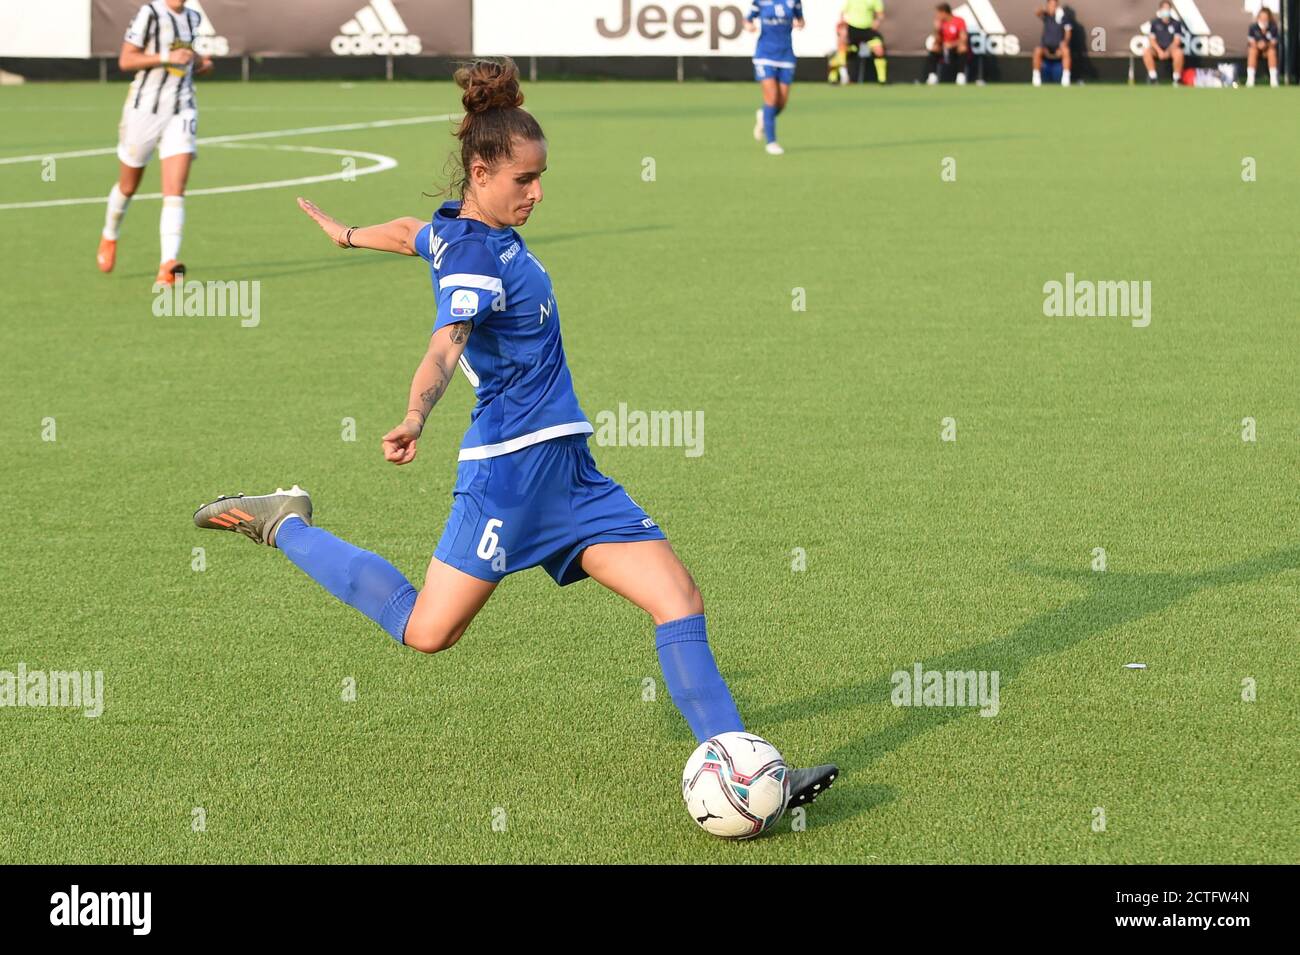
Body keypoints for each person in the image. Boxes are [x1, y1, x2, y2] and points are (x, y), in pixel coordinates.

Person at [192, 58, 839, 814]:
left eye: (541, 177)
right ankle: (287, 522)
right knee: (426, 631)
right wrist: (414, 414)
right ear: (480, 171)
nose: (536, 193)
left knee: (678, 597)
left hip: (571, 472)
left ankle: (745, 768)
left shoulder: (459, 230)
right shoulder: (473, 255)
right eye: (523, 180)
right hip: (508, 475)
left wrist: (349, 235)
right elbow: (446, 344)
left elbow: (415, 231)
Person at [96, 0, 213, 286]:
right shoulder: (150, 13)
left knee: (175, 190)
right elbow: (126, 60)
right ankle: (110, 234)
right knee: (128, 185)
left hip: (182, 109)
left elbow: (186, 55)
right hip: (144, 111)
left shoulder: (194, 17)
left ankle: (167, 264)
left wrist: (200, 62)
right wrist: (167, 57)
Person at [745, 1, 804, 155]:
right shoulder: (760, 2)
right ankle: (771, 142)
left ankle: (763, 116)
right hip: (765, 55)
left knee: (782, 102)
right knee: (771, 98)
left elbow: (801, 19)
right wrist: (749, 26)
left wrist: (800, 24)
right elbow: (748, 19)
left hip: (786, 55)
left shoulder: (794, 2)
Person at [837, 0, 887, 85]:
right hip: (852, 29)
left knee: (879, 49)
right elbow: (842, 13)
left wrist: (877, 22)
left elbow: (880, 14)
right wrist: (843, 27)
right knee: (842, 44)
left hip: (867, 30)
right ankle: (843, 75)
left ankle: (882, 80)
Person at [1142, 1, 1185, 86]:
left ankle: (1176, 79)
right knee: (1146, 51)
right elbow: (1152, 40)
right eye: (1164, 8)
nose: (1166, 11)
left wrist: (1167, 51)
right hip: (1158, 50)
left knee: (1179, 53)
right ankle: (1153, 78)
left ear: (1170, 10)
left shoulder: (1176, 23)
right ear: (1160, 10)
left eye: (1168, 9)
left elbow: (1177, 41)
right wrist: (1159, 51)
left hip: (1171, 50)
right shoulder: (1154, 23)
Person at [1032, 0, 1073, 87]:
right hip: (1046, 47)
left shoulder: (1064, 17)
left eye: (1054, 5)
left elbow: (1068, 33)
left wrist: (1064, 44)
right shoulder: (1046, 15)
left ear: (1057, 5)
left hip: (1059, 48)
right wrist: (1044, 9)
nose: (1052, 7)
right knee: (1037, 50)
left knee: (1066, 51)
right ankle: (1036, 78)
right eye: (1050, 5)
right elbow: (1037, 12)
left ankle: (1066, 78)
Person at [926, 4, 969, 86]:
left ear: (944, 12)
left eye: (938, 13)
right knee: (934, 48)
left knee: (962, 47)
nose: (937, 15)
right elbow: (937, 41)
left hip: (955, 49)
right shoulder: (940, 23)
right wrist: (936, 30)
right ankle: (932, 76)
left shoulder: (959, 21)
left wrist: (952, 44)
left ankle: (961, 76)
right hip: (943, 49)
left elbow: (964, 39)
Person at [1246, 6, 1279, 87]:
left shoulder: (1273, 27)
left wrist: (1266, 45)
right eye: (1262, 17)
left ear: (1269, 17)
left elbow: (1274, 42)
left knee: (1272, 51)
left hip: (1268, 49)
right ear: (1258, 17)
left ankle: (1274, 80)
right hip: (1256, 49)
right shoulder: (1253, 27)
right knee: (1252, 51)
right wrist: (1258, 45)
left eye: (1265, 17)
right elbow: (1251, 41)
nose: (1263, 19)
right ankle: (1250, 80)